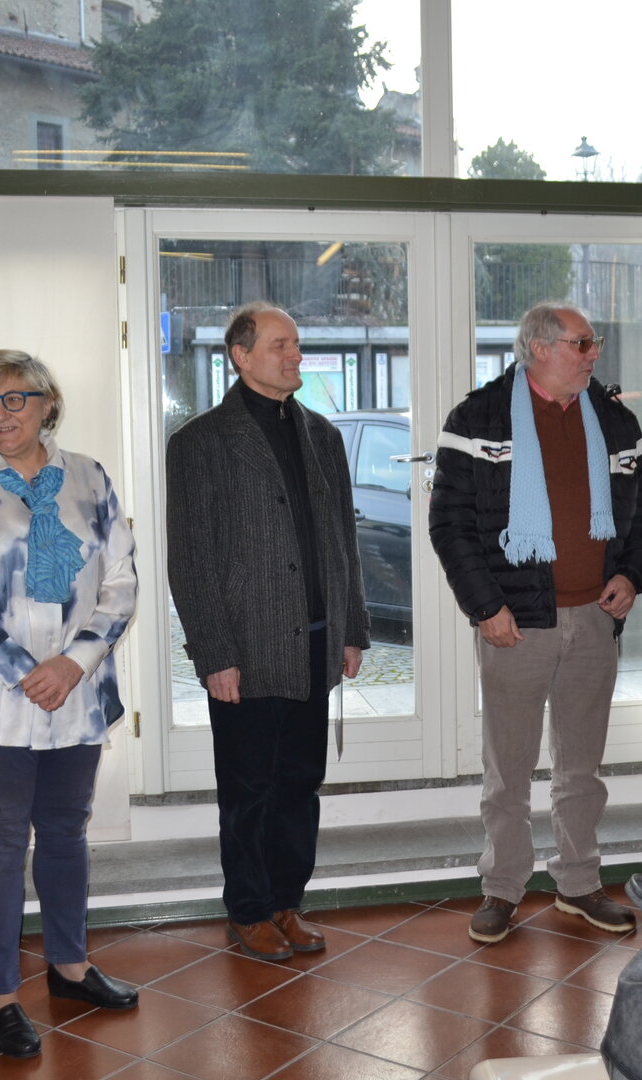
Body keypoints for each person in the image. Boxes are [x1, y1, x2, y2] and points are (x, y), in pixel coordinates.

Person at [0, 349, 139, 1059]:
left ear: (48, 404)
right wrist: (25, 671)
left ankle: (69, 967)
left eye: (15, 398)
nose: (0, 413)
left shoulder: (89, 477)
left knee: (67, 831)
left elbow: (122, 581)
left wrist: (74, 663)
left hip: (78, 693)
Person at [429, 302, 642, 944]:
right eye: (583, 343)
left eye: (593, 342)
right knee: (509, 769)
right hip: (516, 622)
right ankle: (502, 887)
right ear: (539, 347)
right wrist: (486, 608)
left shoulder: (615, 419)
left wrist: (631, 576)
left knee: (581, 769)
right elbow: (449, 525)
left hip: (595, 619)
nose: (594, 353)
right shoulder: (478, 419)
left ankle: (579, 883)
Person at [166, 302, 369, 962]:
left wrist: (352, 628)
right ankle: (249, 910)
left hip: (315, 641)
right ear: (241, 355)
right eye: (281, 345)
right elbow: (190, 561)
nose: (295, 356)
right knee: (249, 789)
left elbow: (343, 541)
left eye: (296, 345)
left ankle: (286, 902)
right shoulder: (200, 443)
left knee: (300, 784)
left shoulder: (323, 436)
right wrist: (214, 653)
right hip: (246, 650)